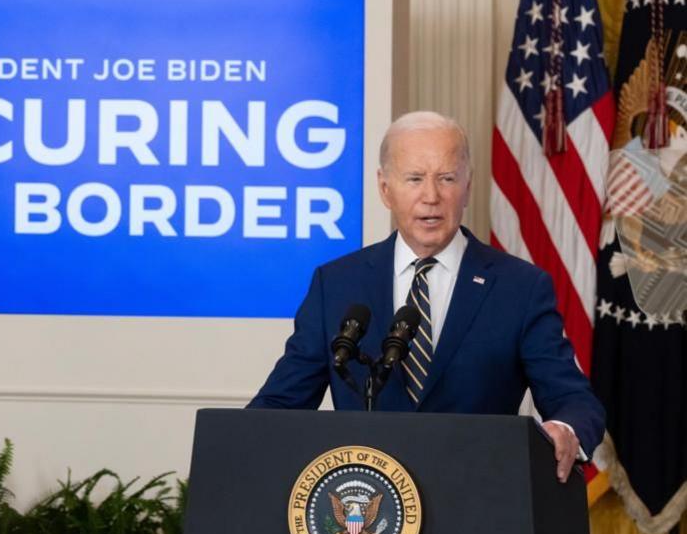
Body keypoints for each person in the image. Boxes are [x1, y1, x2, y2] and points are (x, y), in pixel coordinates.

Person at [248, 111, 604, 482]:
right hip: (365, 513)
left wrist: (566, 428)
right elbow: (280, 403)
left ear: (467, 186)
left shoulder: (521, 287)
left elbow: (574, 400)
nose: (431, 197)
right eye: (415, 179)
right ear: (385, 189)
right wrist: (235, 441)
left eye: (446, 178)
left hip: (480, 505)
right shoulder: (336, 284)